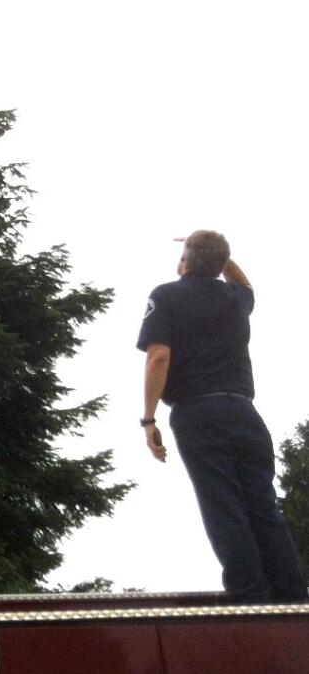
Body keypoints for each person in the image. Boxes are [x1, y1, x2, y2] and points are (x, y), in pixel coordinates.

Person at [137, 230, 308, 603]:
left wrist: (148, 420)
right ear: (218, 266)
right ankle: (294, 597)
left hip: (198, 414)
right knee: (263, 505)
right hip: (245, 413)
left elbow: (158, 358)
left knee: (223, 507)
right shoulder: (234, 299)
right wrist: (220, 256)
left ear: (185, 260)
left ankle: (251, 596)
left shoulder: (165, 295)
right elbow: (245, 284)